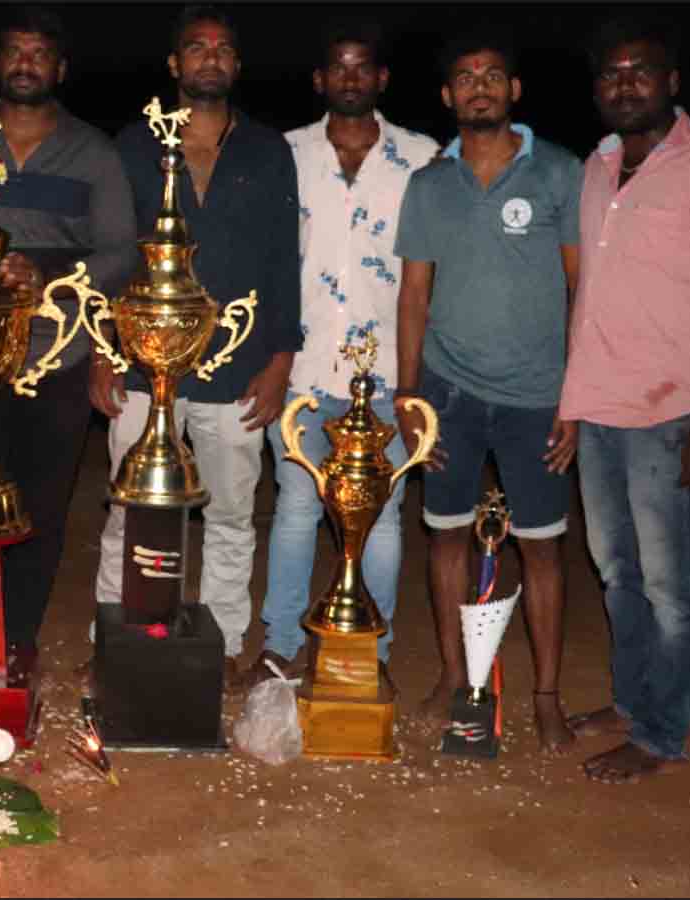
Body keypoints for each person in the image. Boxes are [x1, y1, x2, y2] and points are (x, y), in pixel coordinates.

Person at [0, 5, 138, 654]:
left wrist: (49, 276)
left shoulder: (92, 152)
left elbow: (120, 252)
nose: (26, 63)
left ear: (60, 69)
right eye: (15, 51)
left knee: (40, 504)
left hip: (55, 356)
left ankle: (17, 642)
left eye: (39, 54)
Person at [95, 4, 300, 684]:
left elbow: (283, 261)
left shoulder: (268, 150)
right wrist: (103, 350)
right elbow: (109, 256)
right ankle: (116, 634)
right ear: (174, 63)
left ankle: (223, 641)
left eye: (222, 48)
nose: (210, 57)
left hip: (238, 365)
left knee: (232, 514)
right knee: (130, 510)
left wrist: (280, 359)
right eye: (196, 47)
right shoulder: (133, 145)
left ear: (236, 64)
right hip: (139, 361)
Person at [393, 29, 582, 753]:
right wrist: (409, 398)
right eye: (466, 77)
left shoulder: (557, 171)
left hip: (538, 395)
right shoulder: (428, 184)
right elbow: (414, 296)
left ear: (515, 90)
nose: (480, 87)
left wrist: (576, 397)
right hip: (450, 392)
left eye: (493, 75)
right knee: (445, 535)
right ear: (448, 95)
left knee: (542, 549)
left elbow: (581, 289)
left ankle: (547, 695)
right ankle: (454, 675)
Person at [242, 22, 438, 689]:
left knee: (382, 521)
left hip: (389, 375)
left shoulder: (423, 157)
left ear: (382, 78)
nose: (350, 79)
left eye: (363, 68)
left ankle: (369, 654)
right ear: (320, 80)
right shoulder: (286, 153)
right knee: (296, 509)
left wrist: (416, 382)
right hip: (301, 368)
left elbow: (433, 276)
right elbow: (264, 262)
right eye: (339, 68)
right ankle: (280, 644)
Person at [558, 17, 690, 783]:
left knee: (673, 588)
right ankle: (631, 699)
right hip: (599, 403)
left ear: (671, 80)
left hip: (673, 410)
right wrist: (570, 401)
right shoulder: (598, 164)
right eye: (611, 74)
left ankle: (662, 732)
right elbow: (586, 294)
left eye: (639, 71)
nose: (625, 85)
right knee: (618, 573)